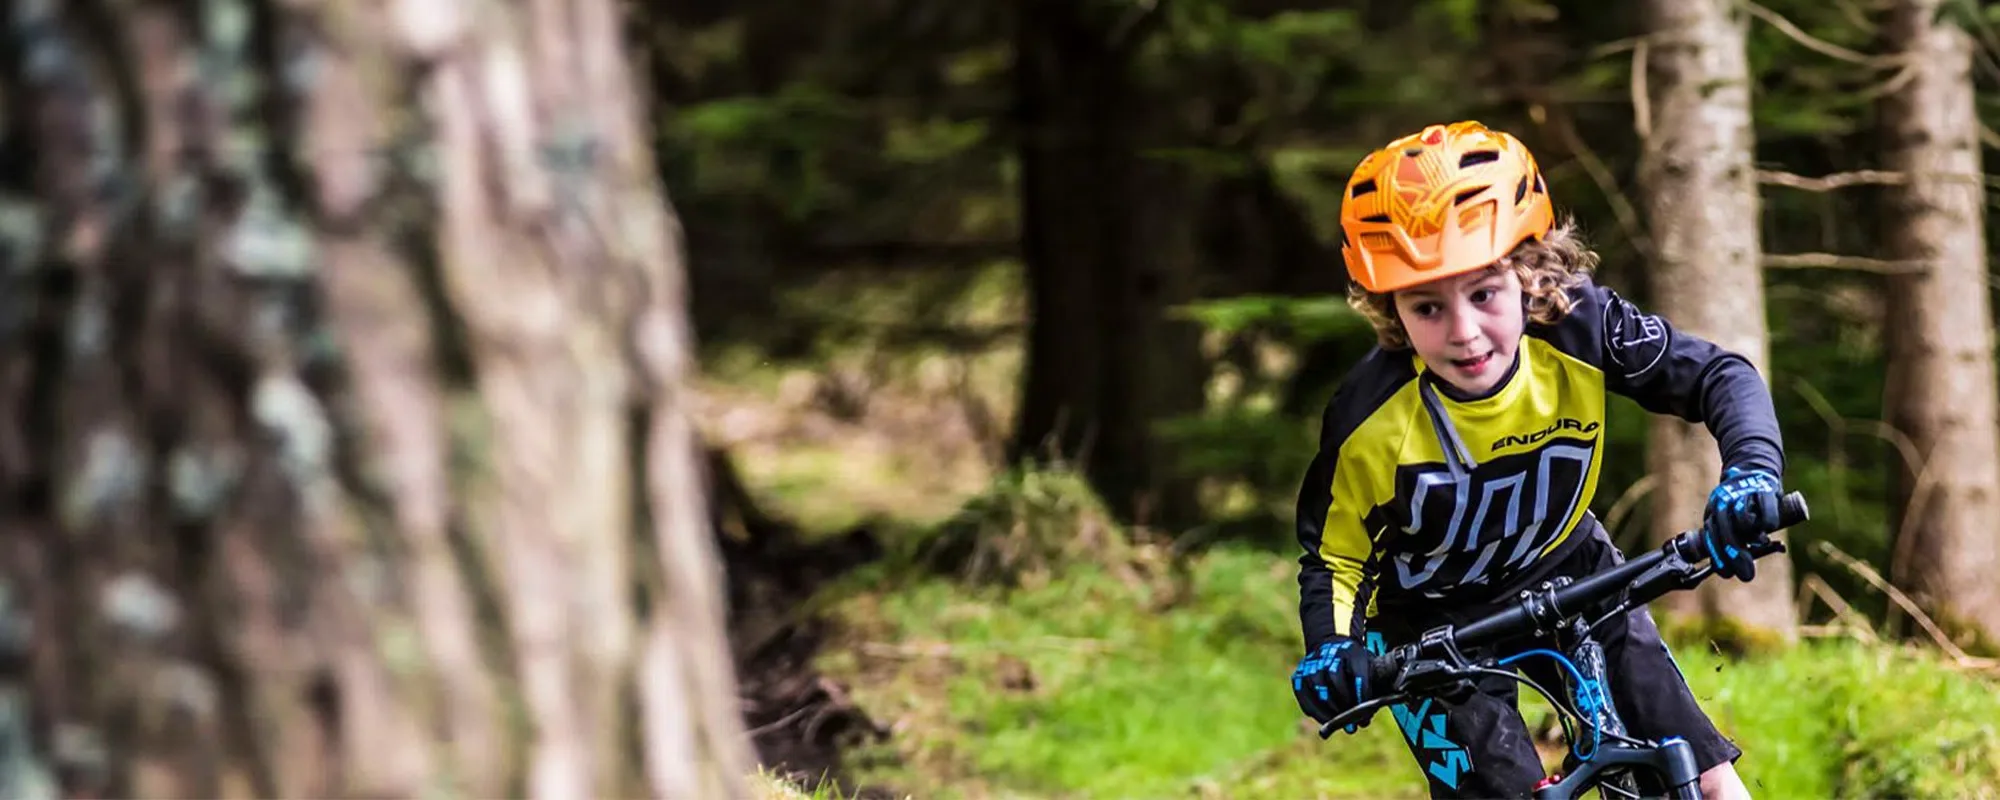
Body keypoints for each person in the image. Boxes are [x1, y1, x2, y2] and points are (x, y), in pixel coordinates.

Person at [1288, 120, 1787, 799]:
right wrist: (1331, 647)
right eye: (1427, 307)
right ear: (1389, 311)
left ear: (1530, 272)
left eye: (1485, 294)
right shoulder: (1367, 417)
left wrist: (1750, 472)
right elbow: (1335, 559)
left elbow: (1719, 378)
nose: (1463, 333)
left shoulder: (1583, 326)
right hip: (1432, 627)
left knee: (1709, 782)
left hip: (1572, 573)